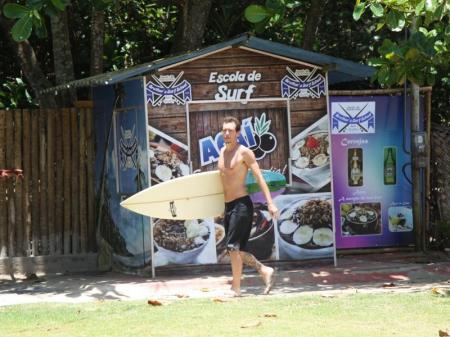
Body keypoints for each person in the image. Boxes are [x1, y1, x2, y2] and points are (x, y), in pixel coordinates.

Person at [218, 116, 278, 296]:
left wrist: (270, 203)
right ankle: (264, 270)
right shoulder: (222, 152)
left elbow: (260, 178)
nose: (226, 133)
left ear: (237, 133)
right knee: (236, 250)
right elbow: (223, 181)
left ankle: (235, 288)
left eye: (230, 130)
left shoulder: (244, 153)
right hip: (228, 206)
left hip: (242, 205)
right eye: (224, 130)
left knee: (232, 248)